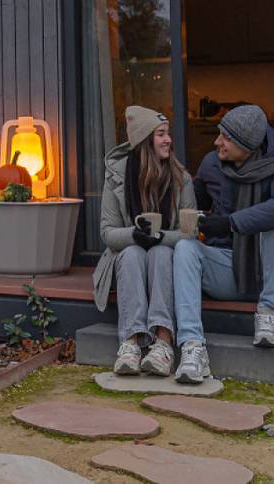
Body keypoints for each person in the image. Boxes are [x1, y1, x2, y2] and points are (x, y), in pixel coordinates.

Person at [172, 104, 274, 385]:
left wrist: (231, 222)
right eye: (220, 133)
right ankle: (192, 346)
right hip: (225, 269)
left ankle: (268, 313)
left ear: (247, 145)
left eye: (226, 137)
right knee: (185, 248)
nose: (217, 142)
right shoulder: (211, 164)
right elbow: (192, 204)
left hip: (266, 275)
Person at [93, 106, 198, 377]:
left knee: (160, 252)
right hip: (128, 261)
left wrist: (162, 237)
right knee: (132, 253)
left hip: (165, 260)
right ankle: (130, 344)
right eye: (161, 134)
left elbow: (190, 231)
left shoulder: (181, 178)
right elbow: (107, 233)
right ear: (144, 140)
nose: (168, 140)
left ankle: (163, 343)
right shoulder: (116, 177)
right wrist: (134, 235)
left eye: (167, 134)